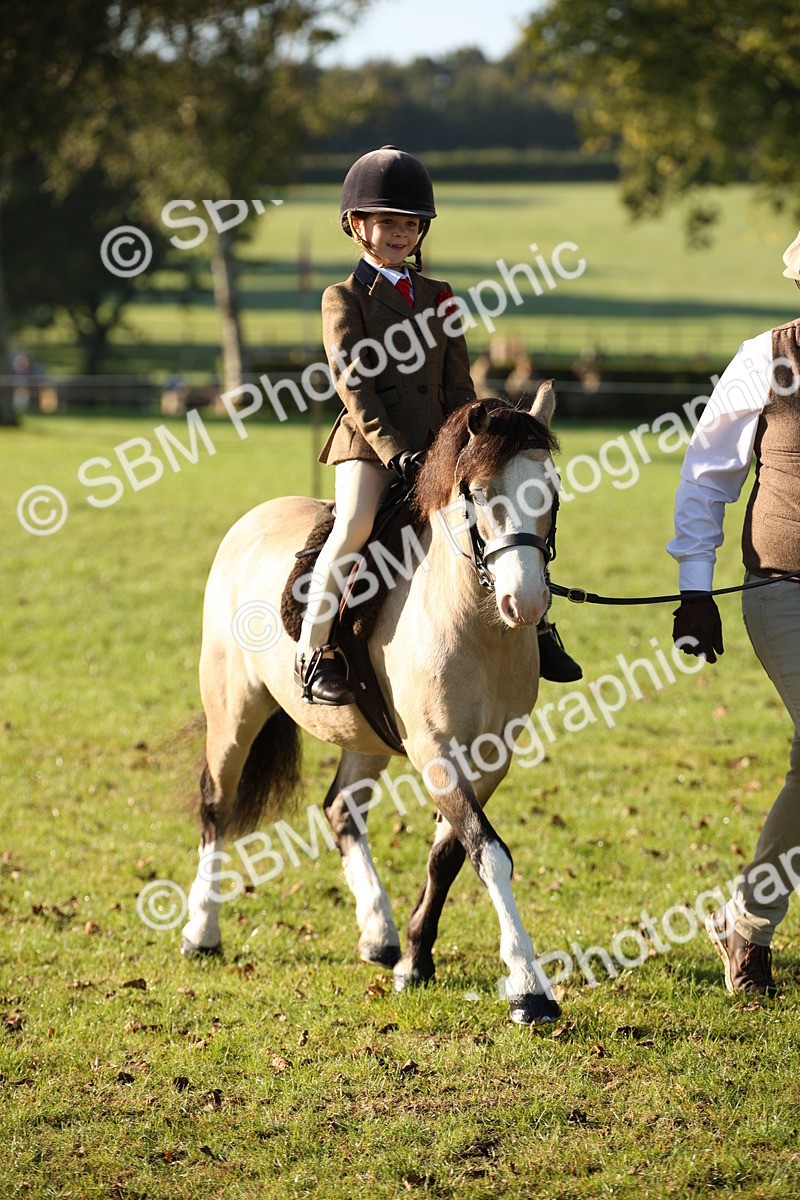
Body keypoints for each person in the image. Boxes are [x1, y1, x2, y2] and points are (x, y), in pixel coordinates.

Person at [296, 144, 581, 705]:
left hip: (441, 444)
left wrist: (478, 437)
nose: (400, 234)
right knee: (353, 526)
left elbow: (457, 387)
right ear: (357, 226)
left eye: (409, 225)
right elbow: (353, 384)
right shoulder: (345, 298)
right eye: (386, 224)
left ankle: (539, 626)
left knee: (504, 516)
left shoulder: (439, 297)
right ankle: (316, 651)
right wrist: (394, 450)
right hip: (370, 445)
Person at [668, 229, 800, 996]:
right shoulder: (768, 358)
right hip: (784, 589)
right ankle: (749, 927)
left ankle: (743, 923)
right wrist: (694, 588)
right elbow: (708, 472)